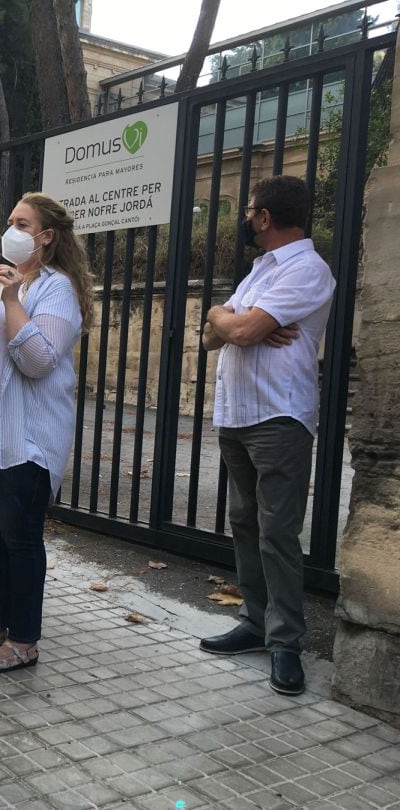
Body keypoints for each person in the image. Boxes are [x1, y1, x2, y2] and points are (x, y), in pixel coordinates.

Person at [0, 192, 92, 673]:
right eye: (9, 220)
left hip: (27, 438)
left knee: (21, 537)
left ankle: (25, 639)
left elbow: (37, 360)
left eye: (22, 223)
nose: (11, 229)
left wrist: (8, 298)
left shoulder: (56, 290)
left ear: (46, 237)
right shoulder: (3, 282)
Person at [199, 176, 334, 697]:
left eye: (250, 210)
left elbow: (243, 332)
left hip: (279, 416)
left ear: (264, 217)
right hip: (237, 413)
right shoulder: (260, 271)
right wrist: (225, 318)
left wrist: (237, 323)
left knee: (278, 532)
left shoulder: (307, 269)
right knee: (245, 524)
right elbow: (214, 336)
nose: (246, 219)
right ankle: (255, 624)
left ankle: (286, 643)